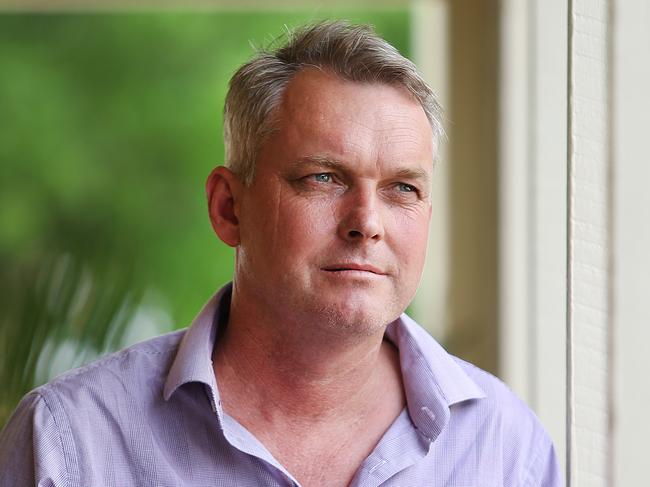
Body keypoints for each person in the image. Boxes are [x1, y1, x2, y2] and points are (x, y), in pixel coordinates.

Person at [0, 20, 560, 486]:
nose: (367, 223)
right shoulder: (71, 443)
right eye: (323, 178)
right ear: (229, 209)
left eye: (402, 189)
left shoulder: (508, 449)